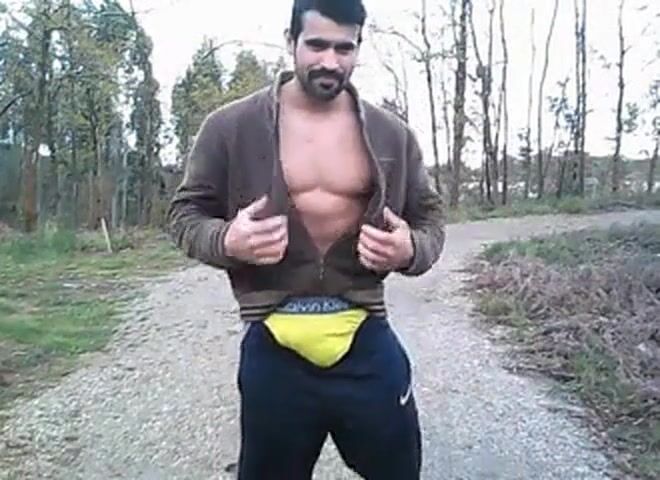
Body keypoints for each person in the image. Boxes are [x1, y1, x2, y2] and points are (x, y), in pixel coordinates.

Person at [167, 0, 446, 478]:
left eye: (344, 48)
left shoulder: (392, 135)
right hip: (273, 339)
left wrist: (410, 250)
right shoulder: (231, 127)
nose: (330, 61)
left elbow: (431, 220)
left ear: (358, 48)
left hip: (363, 331)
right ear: (290, 41)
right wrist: (227, 240)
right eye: (316, 45)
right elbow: (183, 214)